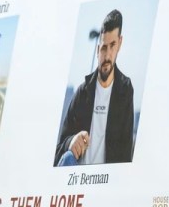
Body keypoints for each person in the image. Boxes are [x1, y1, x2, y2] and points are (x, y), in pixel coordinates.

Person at [55, 9, 134, 166]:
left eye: (113, 46)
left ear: (120, 43)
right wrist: (71, 142)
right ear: (98, 50)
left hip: (105, 182)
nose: (108, 55)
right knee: (68, 158)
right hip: (76, 179)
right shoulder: (82, 92)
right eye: (104, 48)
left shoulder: (125, 90)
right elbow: (59, 150)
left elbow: (125, 155)